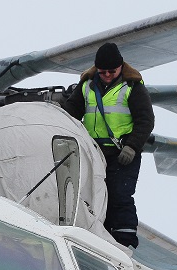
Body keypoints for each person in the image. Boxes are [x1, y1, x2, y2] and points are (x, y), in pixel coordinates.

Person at [61, 42, 155, 248]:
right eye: (103, 72)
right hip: (93, 152)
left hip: (122, 153)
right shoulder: (86, 86)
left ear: (120, 67)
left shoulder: (132, 88)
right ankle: (98, 236)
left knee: (119, 195)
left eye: (112, 71)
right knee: (90, 194)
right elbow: (71, 113)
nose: (107, 75)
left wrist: (132, 147)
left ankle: (125, 242)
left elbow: (145, 120)